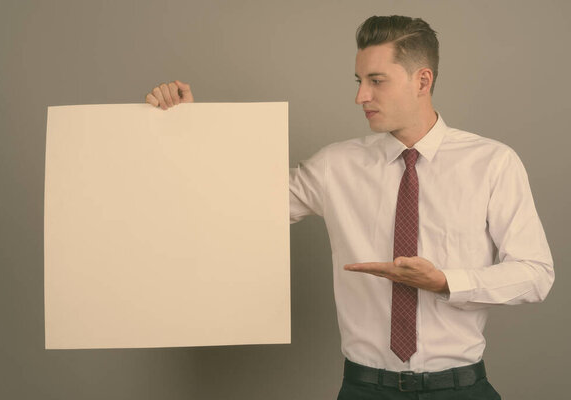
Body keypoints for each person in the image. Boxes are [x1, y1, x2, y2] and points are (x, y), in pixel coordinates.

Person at [144, 15, 554, 400]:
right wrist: (188, 126)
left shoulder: (492, 162)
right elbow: (233, 201)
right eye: (359, 80)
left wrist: (445, 281)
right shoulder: (334, 166)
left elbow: (536, 275)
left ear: (422, 80)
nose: (360, 96)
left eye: (376, 80)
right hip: (364, 388)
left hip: (461, 388)